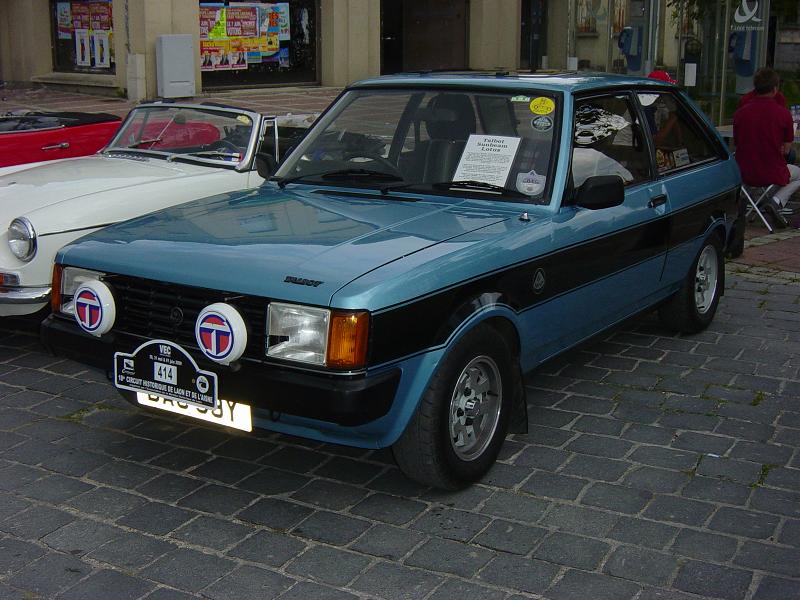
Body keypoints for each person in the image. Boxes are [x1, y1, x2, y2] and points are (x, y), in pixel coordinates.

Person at [733, 67, 799, 228]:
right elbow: (787, 150)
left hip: (744, 172)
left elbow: (737, 142)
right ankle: (776, 202)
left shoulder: (740, 112)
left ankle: (755, 203)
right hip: (771, 172)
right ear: (775, 88)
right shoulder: (782, 114)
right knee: (798, 172)